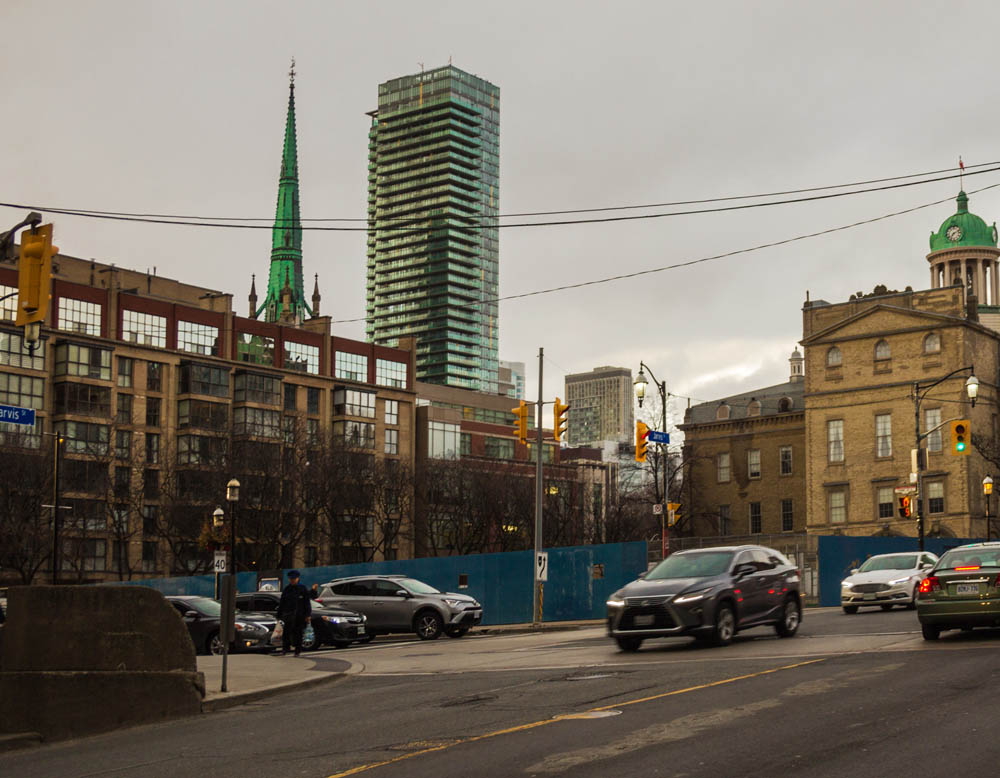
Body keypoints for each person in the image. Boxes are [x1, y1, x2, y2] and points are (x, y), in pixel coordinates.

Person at [277, 570, 311, 656]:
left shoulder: (302, 589)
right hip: (288, 615)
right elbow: (282, 603)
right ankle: (285, 649)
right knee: (286, 633)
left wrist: (307, 615)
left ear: (298, 578)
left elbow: (307, 603)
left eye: (294, 579)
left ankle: (297, 650)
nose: (292, 580)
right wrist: (279, 614)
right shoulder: (287, 589)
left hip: (299, 615)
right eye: (291, 579)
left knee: (298, 633)